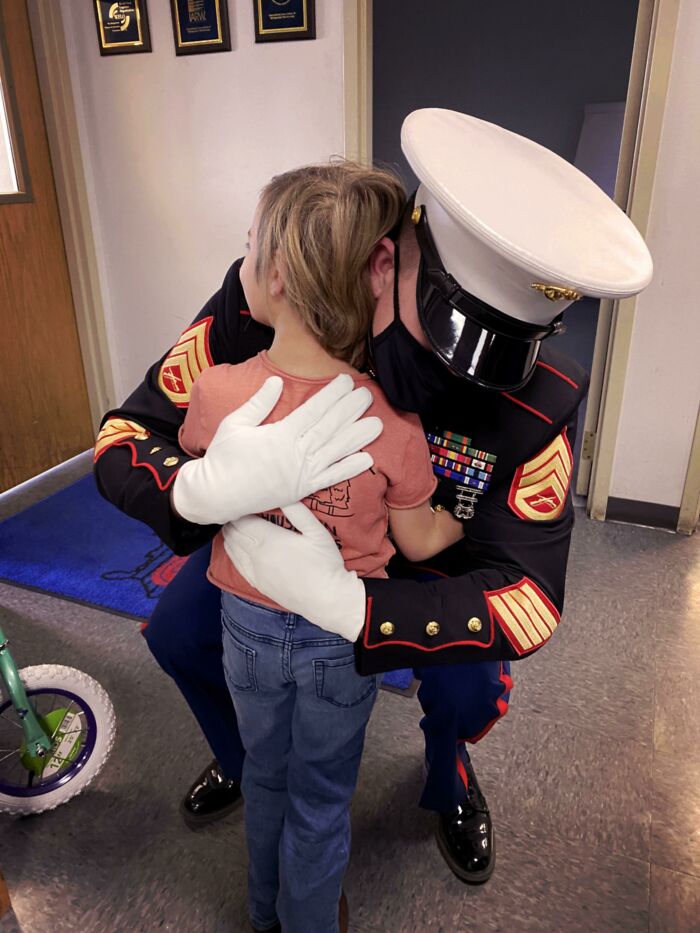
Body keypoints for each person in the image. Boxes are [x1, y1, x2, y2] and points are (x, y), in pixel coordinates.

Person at [94, 109, 652, 887]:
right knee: (179, 634)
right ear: (387, 264)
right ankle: (248, 758)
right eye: (434, 329)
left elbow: (526, 595)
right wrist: (200, 491)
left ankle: (449, 775)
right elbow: (126, 437)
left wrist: (361, 611)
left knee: (469, 685)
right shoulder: (277, 293)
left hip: (419, 556)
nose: (450, 373)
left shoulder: (538, 404)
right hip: (272, 542)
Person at [177, 162, 464, 933]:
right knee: (322, 792)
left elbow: (197, 465)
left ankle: (263, 910)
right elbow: (420, 536)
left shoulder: (217, 392)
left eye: (247, 247)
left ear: (272, 279)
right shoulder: (393, 424)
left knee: (264, 773)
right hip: (341, 643)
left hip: (245, 628)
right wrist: (461, 520)